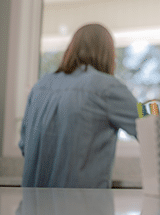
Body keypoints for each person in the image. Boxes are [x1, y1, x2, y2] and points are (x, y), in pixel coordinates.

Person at [19, 23, 138, 188]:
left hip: (33, 208)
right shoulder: (105, 88)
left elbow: (25, 146)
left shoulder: (40, 87)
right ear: (108, 54)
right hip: (82, 208)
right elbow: (145, 121)